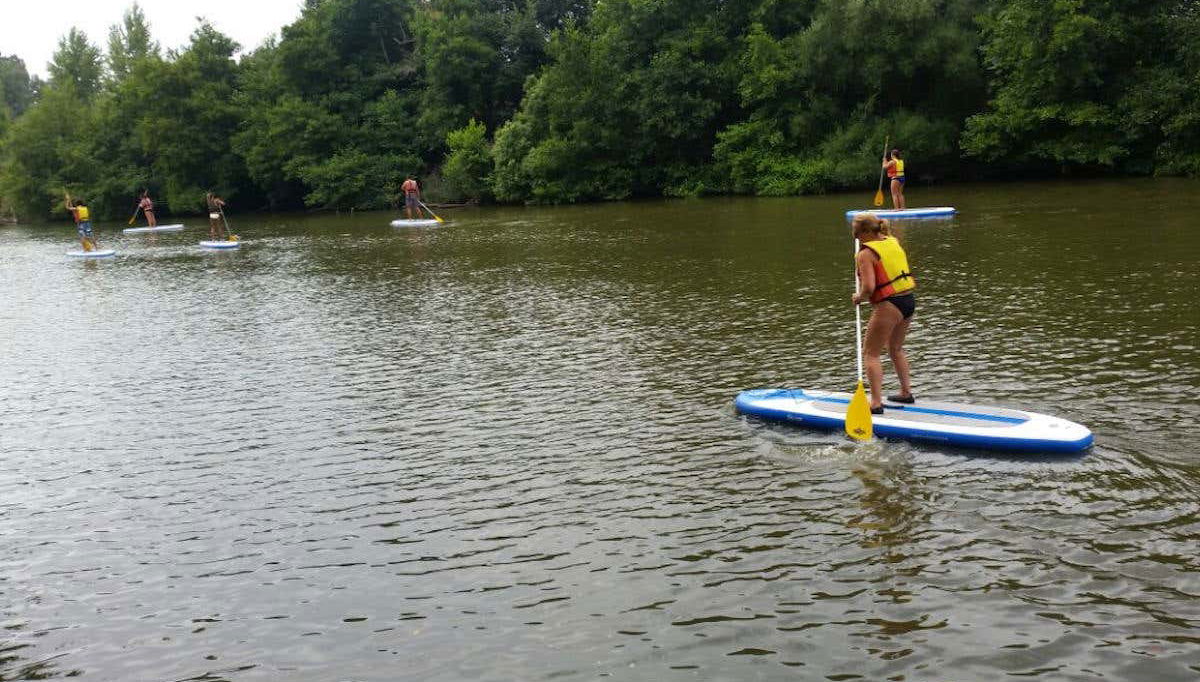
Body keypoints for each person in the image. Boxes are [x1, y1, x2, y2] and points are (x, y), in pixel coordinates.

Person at [851, 214, 916, 414]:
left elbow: (869, 286)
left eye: (858, 232)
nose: (855, 236)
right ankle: (906, 392)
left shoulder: (866, 254)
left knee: (871, 353)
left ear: (867, 232)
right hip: (908, 300)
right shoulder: (892, 241)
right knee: (895, 348)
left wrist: (859, 297)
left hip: (889, 305)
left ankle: (876, 403)